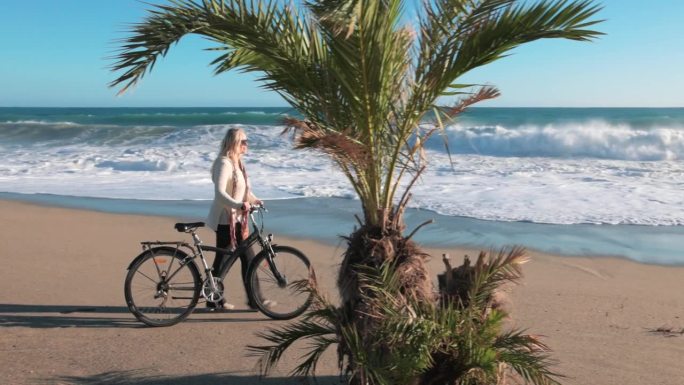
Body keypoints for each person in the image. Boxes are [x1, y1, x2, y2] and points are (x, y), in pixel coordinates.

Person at [206, 127, 262, 310]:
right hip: (225, 220)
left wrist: (255, 200)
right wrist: (239, 206)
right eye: (243, 141)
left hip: (238, 220)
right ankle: (214, 300)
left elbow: (243, 191)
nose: (247, 145)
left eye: (246, 141)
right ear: (234, 143)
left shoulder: (238, 163)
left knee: (247, 259)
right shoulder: (224, 163)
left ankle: (254, 300)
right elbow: (220, 194)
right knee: (224, 261)